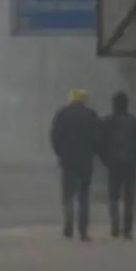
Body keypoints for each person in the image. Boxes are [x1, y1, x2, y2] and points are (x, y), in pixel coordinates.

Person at [50, 88, 101, 240]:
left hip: (68, 159)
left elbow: (55, 136)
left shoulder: (62, 114)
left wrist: (60, 152)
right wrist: (94, 153)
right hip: (85, 160)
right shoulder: (91, 115)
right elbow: (98, 137)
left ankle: (69, 223)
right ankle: (83, 230)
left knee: (68, 194)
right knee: (83, 195)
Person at [99, 91, 136, 239]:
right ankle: (127, 229)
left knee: (113, 196)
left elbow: (102, 143)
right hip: (130, 163)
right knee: (129, 197)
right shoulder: (135, 122)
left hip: (113, 164)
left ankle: (115, 226)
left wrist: (104, 159)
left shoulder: (107, 122)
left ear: (114, 105)